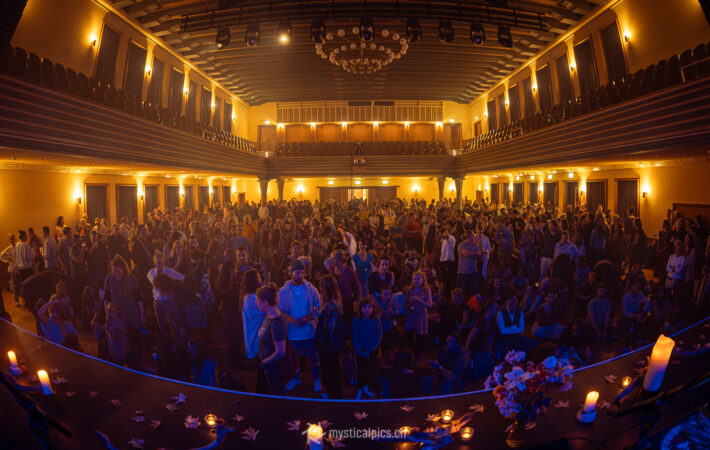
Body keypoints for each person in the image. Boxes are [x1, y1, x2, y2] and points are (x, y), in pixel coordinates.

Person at [278, 259, 322, 392]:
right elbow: (280, 311)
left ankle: (317, 380)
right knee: (293, 359)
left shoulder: (311, 289)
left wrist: (308, 317)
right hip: (292, 333)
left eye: (302, 273)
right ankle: (296, 379)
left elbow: (318, 306)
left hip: (309, 331)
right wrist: (292, 320)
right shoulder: (283, 291)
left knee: (314, 358)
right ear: (290, 273)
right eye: (297, 273)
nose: (300, 276)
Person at [314, 275, 349, 399]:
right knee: (332, 371)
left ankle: (334, 396)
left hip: (329, 347)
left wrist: (323, 347)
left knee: (330, 372)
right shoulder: (332, 303)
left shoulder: (331, 307)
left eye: (321, 286)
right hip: (331, 346)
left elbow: (330, 330)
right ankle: (333, 394)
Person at [104, 255, 145, 346]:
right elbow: (106, 298)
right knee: (122, 334)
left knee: (136, 332)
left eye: (118, 271)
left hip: (131, 311)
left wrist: (142, 314)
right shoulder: (109, 279)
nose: (116, 273)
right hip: (117, 312)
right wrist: (107, 314)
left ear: (123, 269)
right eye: (115, 271)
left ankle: (138, 348)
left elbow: (138, 297)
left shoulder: (131, 278)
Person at [256, 283, 287, 395]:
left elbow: (281, 352)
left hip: (274, 367)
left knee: (278, 393)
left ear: (265, 303)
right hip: (269, 365)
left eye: (258, 300)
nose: (256, 302)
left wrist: (265, 362)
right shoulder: (269, 315)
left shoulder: (275, 324)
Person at [351, 297, 382, 399]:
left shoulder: (376, 320)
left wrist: (370, 350)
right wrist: (359, 351)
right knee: (361, 370)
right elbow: (354, 336)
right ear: (360, 309)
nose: (367, 309)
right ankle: (360, 389)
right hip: (360, 350)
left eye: (369, 307)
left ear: (372, 308)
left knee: (370, 369)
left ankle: (366, 387)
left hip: (371, 350)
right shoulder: (356, 321)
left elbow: (378, 336)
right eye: (364, 307)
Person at [405, 271, 433, 363]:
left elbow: (429, 305)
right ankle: (408, 355)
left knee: (420, 337)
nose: (415, 281)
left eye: (417, 279)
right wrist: (410, 307)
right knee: (409, 336)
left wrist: (418, 299)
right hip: (411, 314)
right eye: (414, 279)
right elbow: (406, 303)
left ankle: (417, 356)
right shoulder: (410, 290)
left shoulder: (427, 290)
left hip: (421, 315)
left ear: (423, 280)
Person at [329, 250, 360, 325]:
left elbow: (357, 287)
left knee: (347, 323)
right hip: (335, 302)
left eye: (336, 258)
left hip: (346, 303)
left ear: (341, 260)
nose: (334, 260)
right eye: (334, 258)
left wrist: (352, 300)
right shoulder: (332, 269)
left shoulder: (349, 271)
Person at [456, 230, 480, 300]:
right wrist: (474, 254)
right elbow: (466, 254)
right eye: (473, 236)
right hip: (463, 272)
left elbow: (479, 255)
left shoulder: (475, 245)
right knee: (461, 292)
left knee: (473, 292)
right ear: (469, 236)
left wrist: (471, 254)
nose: (474, 237)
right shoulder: (461, 245)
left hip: (473, 272)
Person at [1, 233, 20, 307]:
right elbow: (1, 255)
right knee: (15, 285)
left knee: (20, 285)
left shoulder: (18, 246)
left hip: (19, 268)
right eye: (10, 239)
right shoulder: (9, 248)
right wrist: (8, 259)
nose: (11, 240)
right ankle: (17, 301)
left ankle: (21, 299)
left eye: (12, 238)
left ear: (14, 239)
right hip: (12, 269)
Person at [439, 226, 457, 294]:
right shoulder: (443, 240)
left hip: (448, 261)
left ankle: (449, 293)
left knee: (448, 279)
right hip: (443, 261)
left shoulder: (451, 238)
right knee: (444, 279)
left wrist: (446, 234)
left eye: (441, 234)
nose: (440, 235)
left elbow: (447, 237)